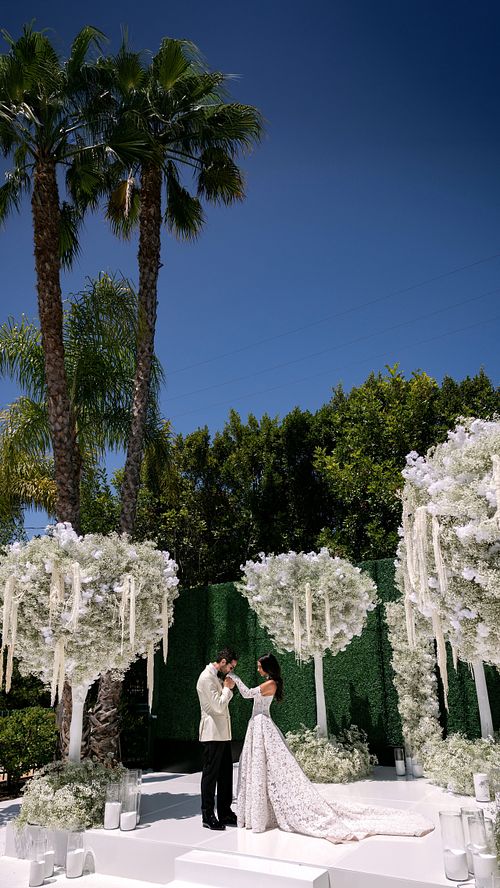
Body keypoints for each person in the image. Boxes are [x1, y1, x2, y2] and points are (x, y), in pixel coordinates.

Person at [231, 653, 434, 843]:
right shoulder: (269, 682)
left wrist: (234, 678)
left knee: (269, 767)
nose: (257, 670)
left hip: (262, 725)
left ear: (267, 668)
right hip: (258, 726)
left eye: (259, 667)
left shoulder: (270, 683)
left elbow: (248, 694)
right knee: (262, 768)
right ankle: (263, 809)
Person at [196, 647, 238, 830]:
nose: (231, 671)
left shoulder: (215, 677)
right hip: (212, 734)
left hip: (223, 734)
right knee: (210, 776)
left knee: (225, 775)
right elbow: (219, 707)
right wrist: (228, 689)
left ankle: (225, 812)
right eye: (230, 667)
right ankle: (207, 815)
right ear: (222, 662)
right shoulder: (206, 678)